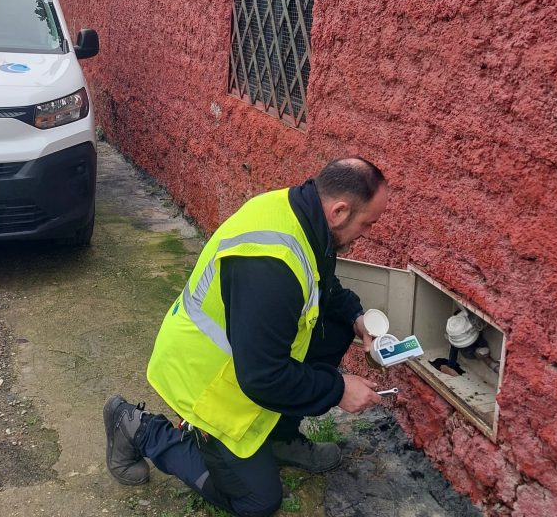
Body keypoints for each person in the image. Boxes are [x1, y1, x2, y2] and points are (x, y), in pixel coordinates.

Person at [103, 157, 390, 517]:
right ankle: (140, 430)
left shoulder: (302, 216)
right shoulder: (271, 268)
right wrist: (338, 389)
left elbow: (321, 285)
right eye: (367, 224)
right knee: (258, 502)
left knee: (333, 325)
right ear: (340, 211)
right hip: (204, 381)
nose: (366, 234)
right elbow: (262, 378)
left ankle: (279, 440)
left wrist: (355, 317)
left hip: (246, 362)